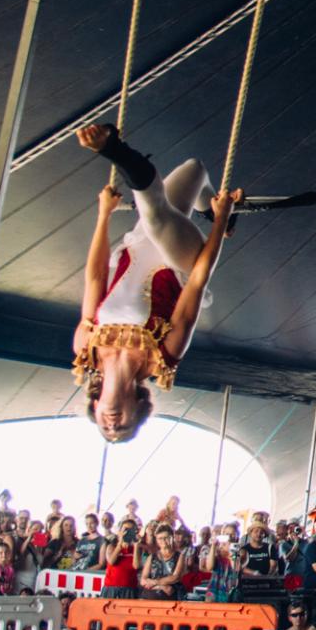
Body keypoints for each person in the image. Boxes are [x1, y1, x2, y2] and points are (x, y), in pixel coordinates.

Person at [71, 123, 241, 443]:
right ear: (138, 409)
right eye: (123, 427)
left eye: (106, 428)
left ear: (94, 407)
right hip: (180, 258)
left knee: (195, 169)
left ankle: (206, 204)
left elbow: (95, 277)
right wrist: (218, 224)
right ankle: (112, 148)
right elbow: (197, 284)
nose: (112, 423)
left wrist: (103, 215)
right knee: (155, 214)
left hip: (138, 241)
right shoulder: (161, 358)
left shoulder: (85, 349)